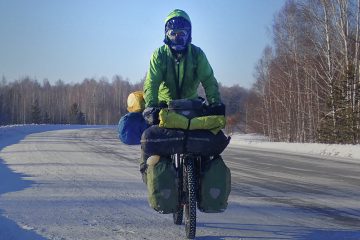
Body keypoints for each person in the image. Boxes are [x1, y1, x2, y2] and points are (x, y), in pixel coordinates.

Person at [140, 9, 224, 182]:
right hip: (165, 106)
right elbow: (151, 83)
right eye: (173, 33)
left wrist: (215, 103)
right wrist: (151, 105)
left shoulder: (197, 54)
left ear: (189, 34)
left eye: (182, 33)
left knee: (205, 137)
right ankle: (147, 170)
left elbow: (208, 79)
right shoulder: (159, 55)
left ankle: (202, 175)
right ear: (166, 34)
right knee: (150, 134)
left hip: (190, 106)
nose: (178, 37)